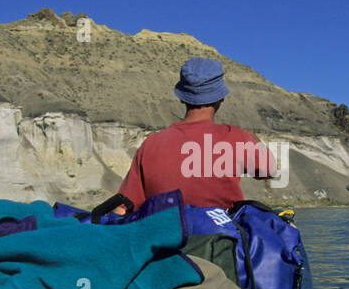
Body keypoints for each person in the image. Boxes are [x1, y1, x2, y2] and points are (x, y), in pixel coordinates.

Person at [115, 56, 275, 212]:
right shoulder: (236, 138)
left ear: (182, 98)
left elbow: (123, 207)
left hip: (166, 236)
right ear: (221, 98)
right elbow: (269, 170)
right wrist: (253, 137)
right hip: (220, 237)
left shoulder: (150, 144)